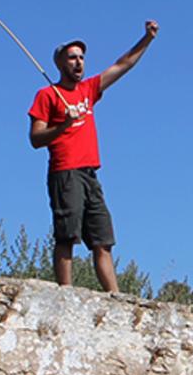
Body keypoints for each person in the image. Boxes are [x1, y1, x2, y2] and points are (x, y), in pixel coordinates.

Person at [26, 25, 159, 290]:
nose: (78, 62)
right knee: (67, 236)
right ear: (60, 62)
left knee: (103, 240)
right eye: (72, 57)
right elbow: (35, 139)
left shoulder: (88, 90)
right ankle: (65, 293)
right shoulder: (48, 95)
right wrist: (63, 125)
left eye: (81, 58)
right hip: (65, 172)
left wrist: (147, 39)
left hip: (90, 173)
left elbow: (123, 64)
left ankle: (117, 298)